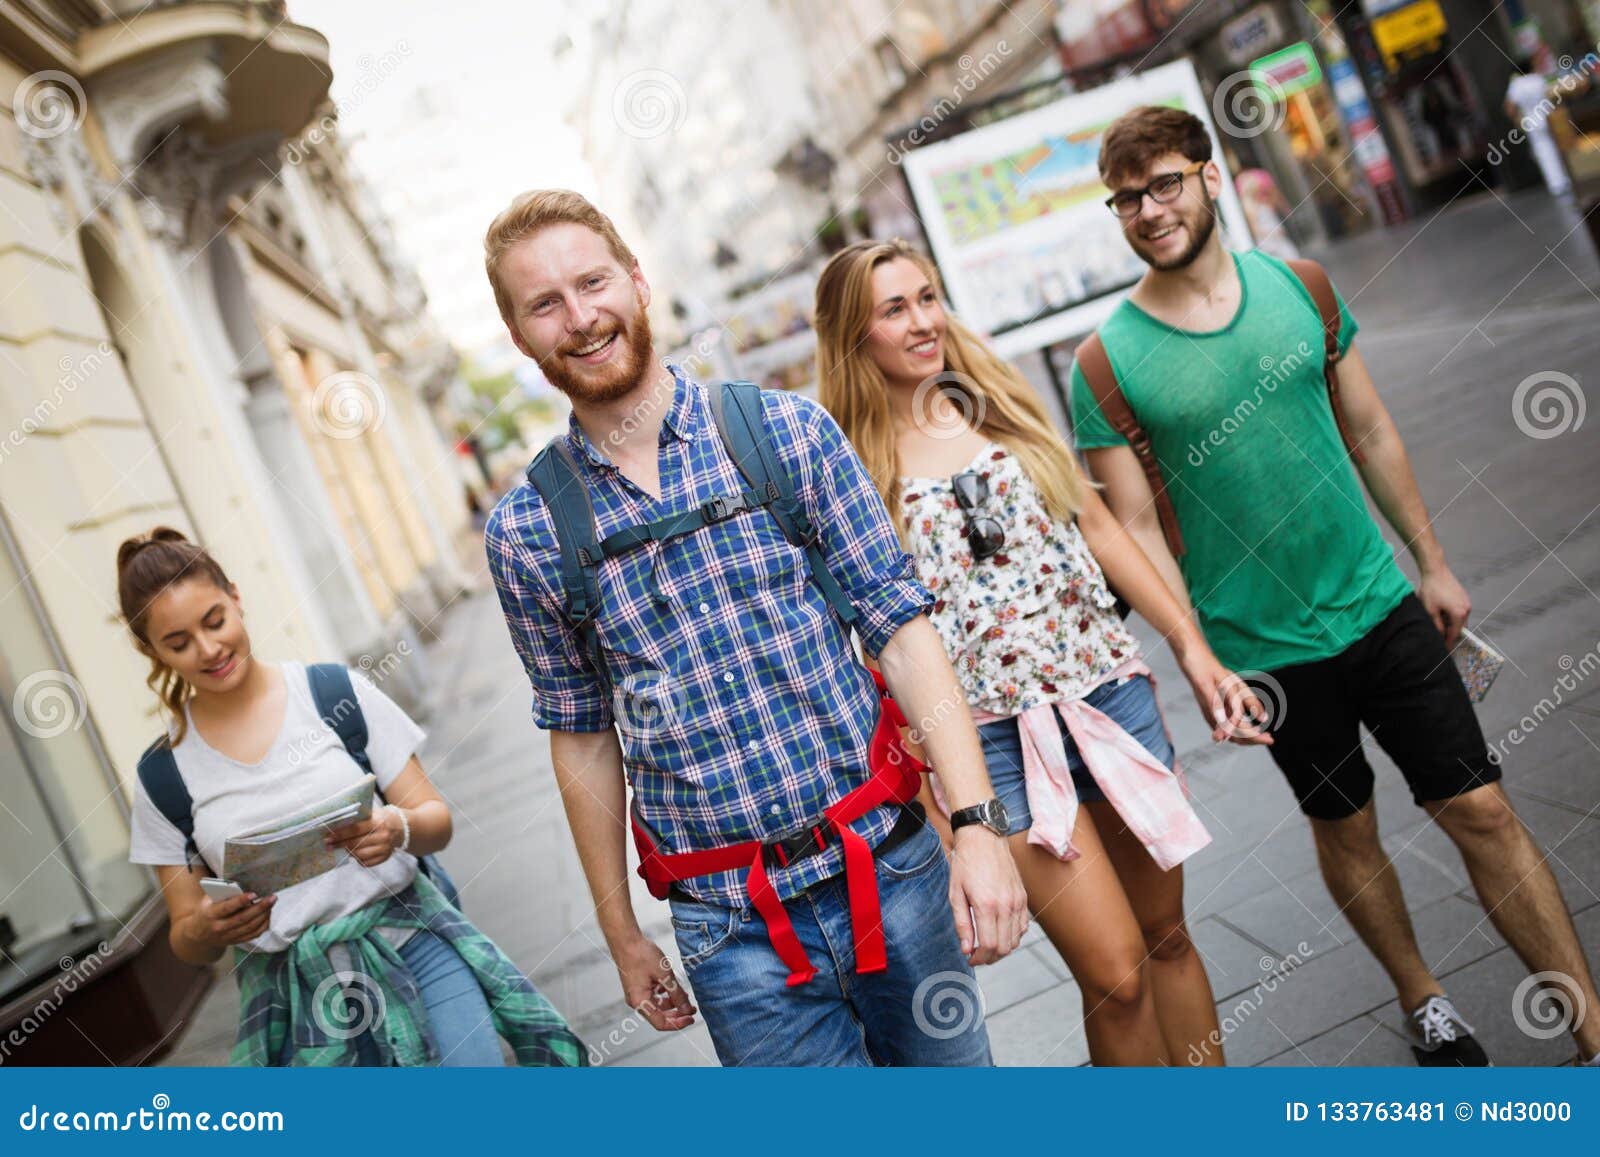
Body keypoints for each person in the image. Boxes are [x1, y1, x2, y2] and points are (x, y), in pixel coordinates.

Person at [1070, 105, 1600, 1067]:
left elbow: (1371, 428)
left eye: (1165, 183)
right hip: (1264, 648)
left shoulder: (1301, 288)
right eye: (1126, 198)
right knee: (1345, 824)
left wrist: (1430, 561)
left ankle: (1592, 1030)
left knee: (1479, 805)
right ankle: (1423, 996)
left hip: (1379, 603)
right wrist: (1195, 657)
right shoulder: (1106, 361)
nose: (1148, 210)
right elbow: (1133, 528)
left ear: (1210, 175)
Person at [480, 190, 1028, 1067]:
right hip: (732, 931)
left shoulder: (783, 431)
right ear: (518, 334)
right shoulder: (528, 531)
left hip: (891, 873)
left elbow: (900, 625)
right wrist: (622, 930)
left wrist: (977, 825)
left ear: (637, 281)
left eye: (592, 283)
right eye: (545, 303)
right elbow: (581, 733)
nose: (580, 319)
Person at [814, 238, 1268, 1065]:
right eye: (894, 309)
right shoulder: (849, 466)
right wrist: (939, 805)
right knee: (1117, 972)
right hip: (990, 744)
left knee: (1166, 936)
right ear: (854, 337)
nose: (922, 321)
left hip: (1106, 695)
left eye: (927, 297)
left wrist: (1190, 647)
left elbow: (1094, 523)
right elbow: (875, 653)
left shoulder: (993, 398)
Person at [121, 528, 585, 1067]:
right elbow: (186, 937)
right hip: (301, 999)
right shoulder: (164, 775)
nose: (209, 649)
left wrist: (397, 829)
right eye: (178, 643)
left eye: (215, 620)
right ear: (150, 649)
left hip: (413, 944)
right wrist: (207, 927)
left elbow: (436, 820)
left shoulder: (330, 693)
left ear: (236, 596)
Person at [1504, 62, 1573, 199]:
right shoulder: (1537, 79)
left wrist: (1517, 119)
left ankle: (1556, 184)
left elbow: (1510, 107)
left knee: (1543, 151)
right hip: (1546, 116)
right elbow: (1552, 94)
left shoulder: (1516, 85)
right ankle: (1566, 179)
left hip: (1531, 120)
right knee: (1556, 147)